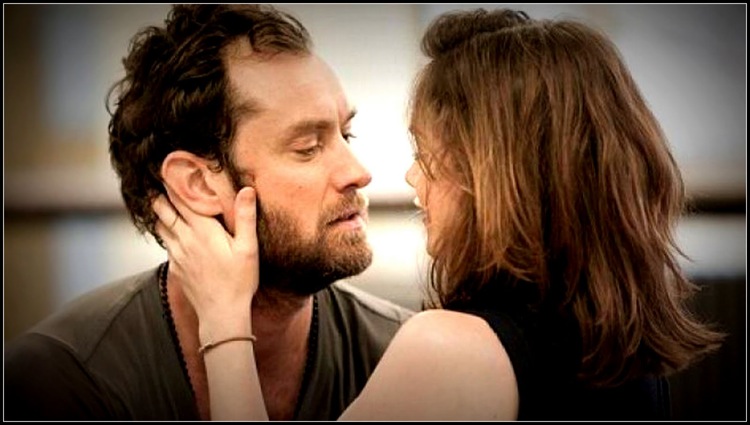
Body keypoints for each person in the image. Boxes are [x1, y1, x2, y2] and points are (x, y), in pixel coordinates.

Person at [154, 7, 727, 421]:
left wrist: (224, 323)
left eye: (428, 155)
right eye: (308, 146)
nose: (411, 178)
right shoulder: (624, 355)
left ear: (495, 177)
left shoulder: (453, 354)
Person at [3, 4, 414, 421]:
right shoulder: (59, 384)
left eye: (346, 134)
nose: (358, 173)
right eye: (307, 148)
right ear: (197, 184)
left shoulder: (403, 358)